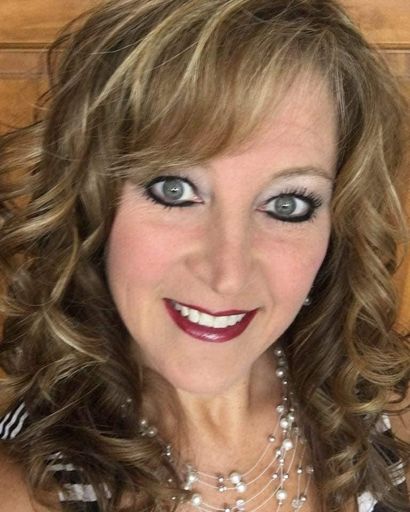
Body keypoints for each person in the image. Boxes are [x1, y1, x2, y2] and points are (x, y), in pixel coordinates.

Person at [0, 0, 409, 511]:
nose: (227, 274)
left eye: (287, 204)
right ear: (92, 201)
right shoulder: (27, 489)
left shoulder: (389, 412)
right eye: (174, 190)